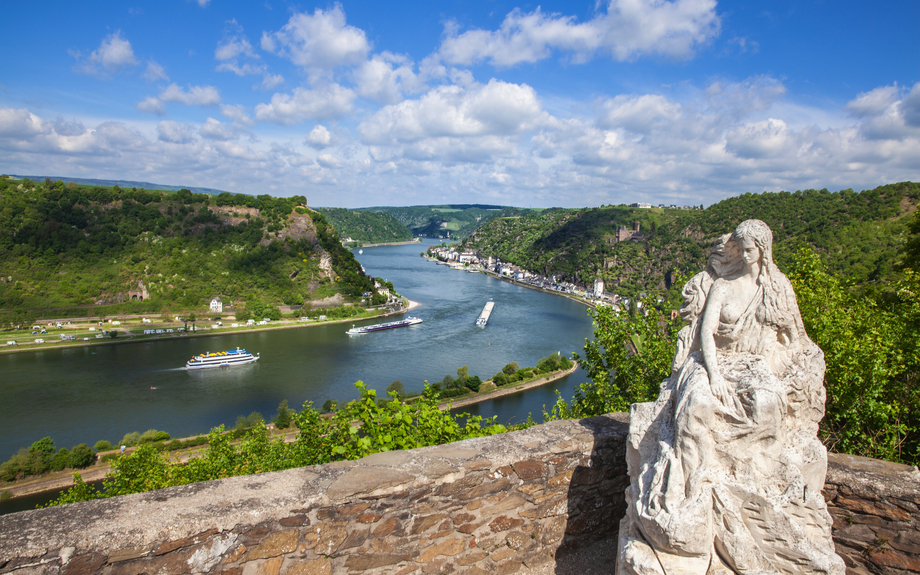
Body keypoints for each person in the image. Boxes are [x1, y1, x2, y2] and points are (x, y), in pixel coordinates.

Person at [617, 220, 843, 575]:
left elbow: (795, 337)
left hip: (753, 366)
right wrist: (716, 374)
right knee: (696, 406)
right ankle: (693, 488)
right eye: (738, 249)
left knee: (768, 405)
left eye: (749, 250)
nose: (742, 255)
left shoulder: (778, 289)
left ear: (763, 251)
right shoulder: (723, 285)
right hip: (712, 361)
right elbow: (705, 334)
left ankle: (760, 478)